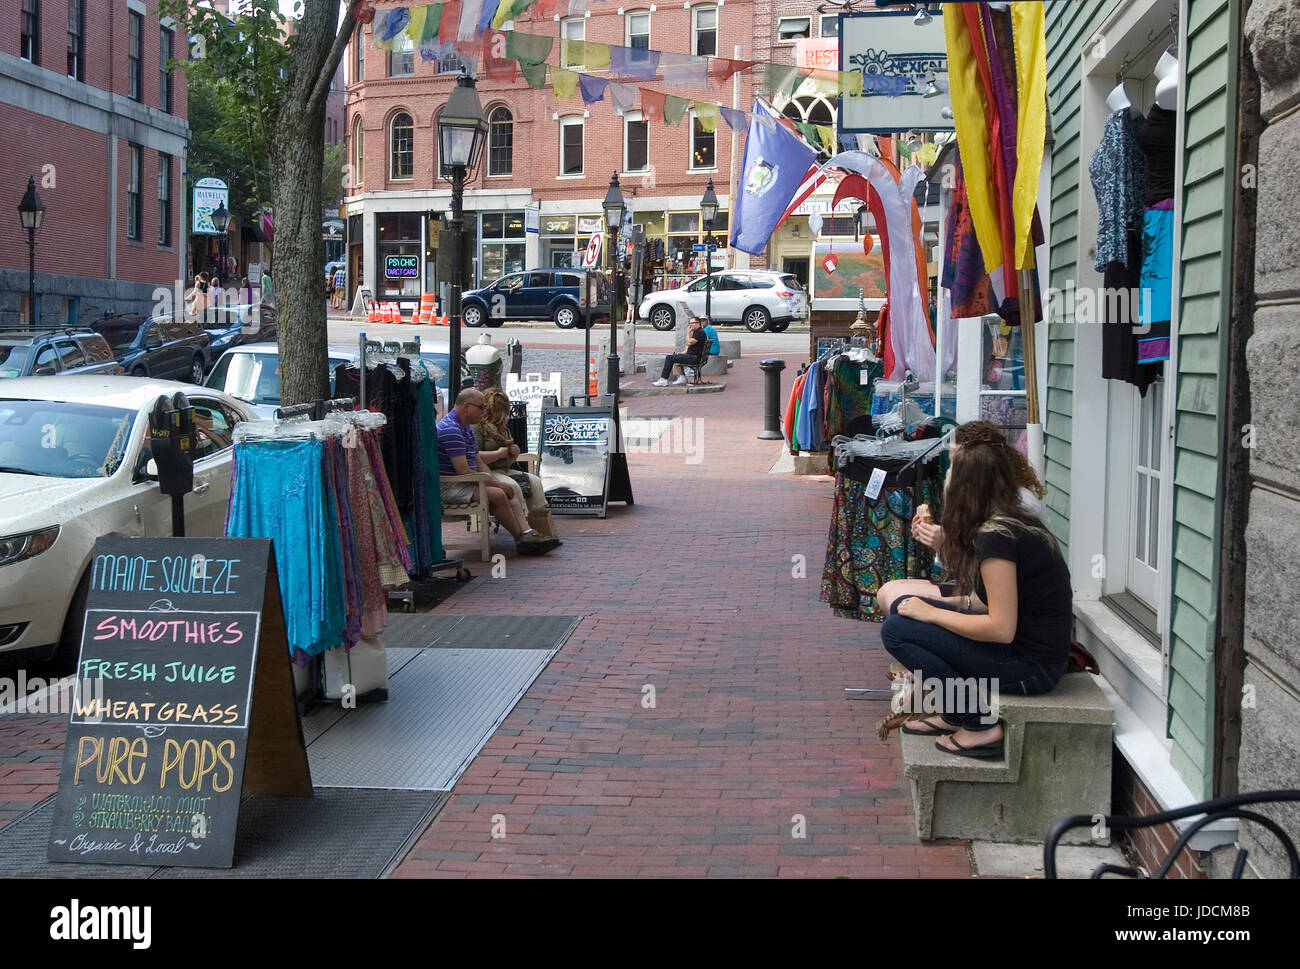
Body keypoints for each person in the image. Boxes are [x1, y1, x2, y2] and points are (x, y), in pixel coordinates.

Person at [879, 433, 1072, 759]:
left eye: (952, 471)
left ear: (966, 486)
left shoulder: (997, 536)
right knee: (902, 611)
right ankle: (955, 713)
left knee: (896, 631)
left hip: (1032, 670)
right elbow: (985, 603)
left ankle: (979, 724)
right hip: (1028, 655)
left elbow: (1000, 628)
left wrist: (932, 614)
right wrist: (935, 605)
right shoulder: (1009, 522)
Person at [876, 420, 1047, 616]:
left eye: (958, 462)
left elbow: (995, 573)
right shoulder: (977, 498)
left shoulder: (1019, 504)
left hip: (1006, 602)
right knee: (888, 591)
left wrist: (945, 544)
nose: (952, 472)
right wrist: (939, 543)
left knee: (898, 603)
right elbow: (966, 567)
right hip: (978, 589)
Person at [436, 388, 559, 555]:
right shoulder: (451, 429)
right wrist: (497, 483)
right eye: (481, 407)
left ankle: (527, 534)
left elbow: (478, 462)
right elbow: (462, 470)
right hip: (450, 486)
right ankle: (521, 539)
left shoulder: (465, 428)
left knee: (505, 491)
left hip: (467, 481)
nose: (484, 411)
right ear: (467, 407)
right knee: (499, 493)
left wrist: (497, 483)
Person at [472, 388, 562, 544]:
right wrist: (500, 453)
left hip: (505, 468)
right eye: (498, 413)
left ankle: (544, 529)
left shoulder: (501, 427)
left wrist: (514, 451)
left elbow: (510, 451)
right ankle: (524, 531)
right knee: (513, 486)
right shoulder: (478, 428)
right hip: (489, 470)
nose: (501, 418)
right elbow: (475, 458)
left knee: (535, 482)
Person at [653, 316, 710, 387]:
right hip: (693, 356)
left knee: (669, 358)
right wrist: (681, 353)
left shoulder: (700, 332)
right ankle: (682, 377)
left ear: (698, 323)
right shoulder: (697, 332)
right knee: (674, 355)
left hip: (694, 358)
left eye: (693, 323)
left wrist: (688, 333)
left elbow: (689, 342)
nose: (690, 325)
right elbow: (689, 346)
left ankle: (664, 379)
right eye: (690, 323)